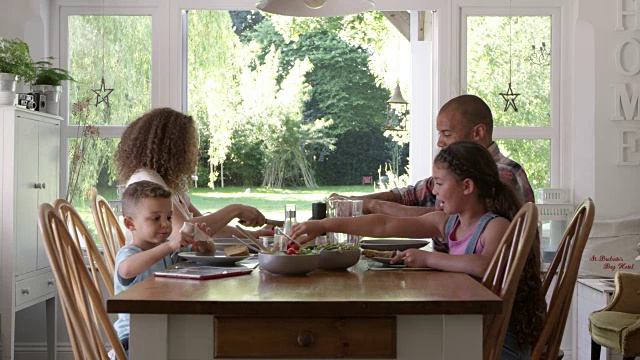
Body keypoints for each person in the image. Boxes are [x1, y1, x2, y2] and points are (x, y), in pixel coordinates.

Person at [291, 141, 546, 360]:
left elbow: (484, 265)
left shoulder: (494, 226)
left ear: (467, 186)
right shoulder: (447, 222)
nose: (434, 191)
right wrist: (323, 224)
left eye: (439, 183)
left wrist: (430, 258)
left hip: (496, 343)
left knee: (402, 340)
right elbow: (385, 224)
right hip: (470, 330)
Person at [336, 94, 535, 217]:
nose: (440, 142)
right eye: (439, 134)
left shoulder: (502, 175)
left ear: (478, 133)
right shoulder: (458, 172)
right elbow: (410, 195)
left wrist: (371, 206)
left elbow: (446, 220)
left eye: (447, 134)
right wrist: (353, 201)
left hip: (489, 284)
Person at [115, 107, 272, 244]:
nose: (198, 153)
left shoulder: (169, 186)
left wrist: (253, 236)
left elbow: (206, 230)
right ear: (172, 150)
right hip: (152, 275)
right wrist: (235, 210)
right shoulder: (147, 182)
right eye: (192, 147)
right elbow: (181, 233)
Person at [112, 180, 215, 354]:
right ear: (131, 224)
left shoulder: (170, 248)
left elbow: (207, 252)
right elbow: (126, 270)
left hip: (165, 327)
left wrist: (203, 241)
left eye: (168, 217)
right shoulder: (129, 253)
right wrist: (168, 246)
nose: (166, 224)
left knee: (204, 340)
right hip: (135, 337)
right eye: (156, 218)